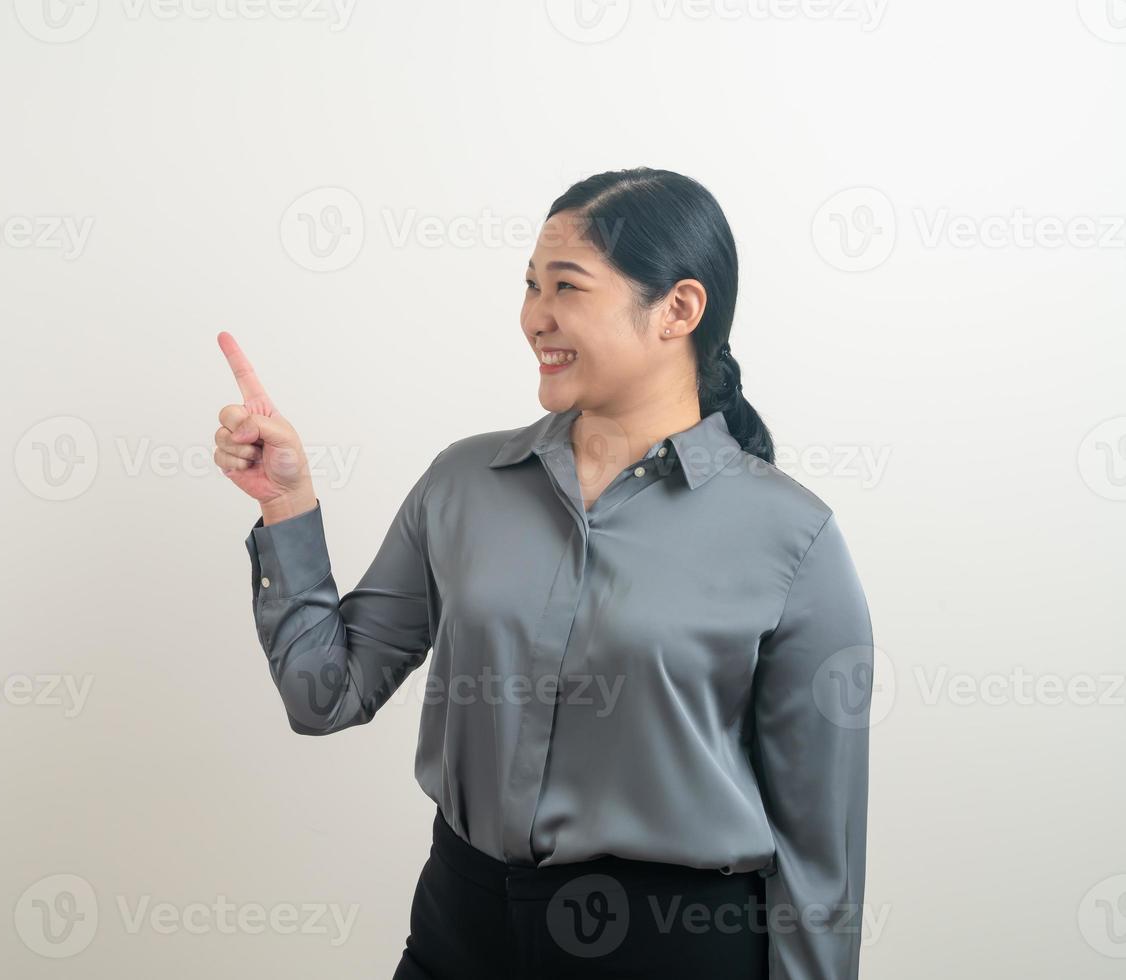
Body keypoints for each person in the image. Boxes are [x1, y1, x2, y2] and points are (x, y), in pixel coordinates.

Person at [214, 167, 874, 979]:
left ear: (678, 309)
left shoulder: (793, 538)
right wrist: (288, 505)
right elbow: (325, 694)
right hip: (460, 932)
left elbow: (821, 854)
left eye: (566, 286)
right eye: (530, 285)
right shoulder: (462, 485)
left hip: (669, 950)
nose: (535, 317)